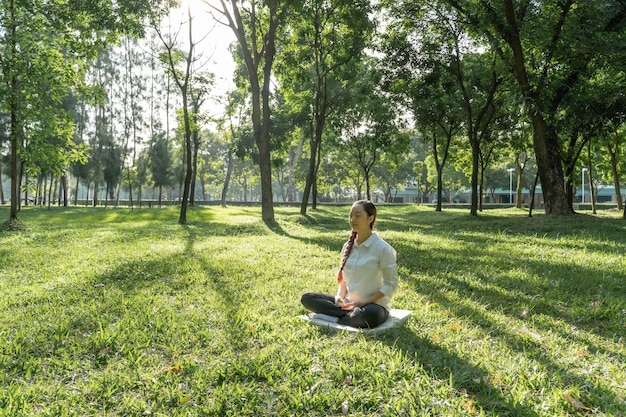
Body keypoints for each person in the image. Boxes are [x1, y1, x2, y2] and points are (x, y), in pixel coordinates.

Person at [301, 200, 398, 328]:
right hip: (348, 304)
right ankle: (345, 316)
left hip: (373, 306)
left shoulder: (383, 248)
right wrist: (340, 297)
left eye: (358, 215)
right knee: (307, 298)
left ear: (370, 218)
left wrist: (362, 302)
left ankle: (334, 317)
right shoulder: (348, 246)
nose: (352, 219)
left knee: (370, 316)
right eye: (350, 215)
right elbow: (344, 280)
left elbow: (390, 285)